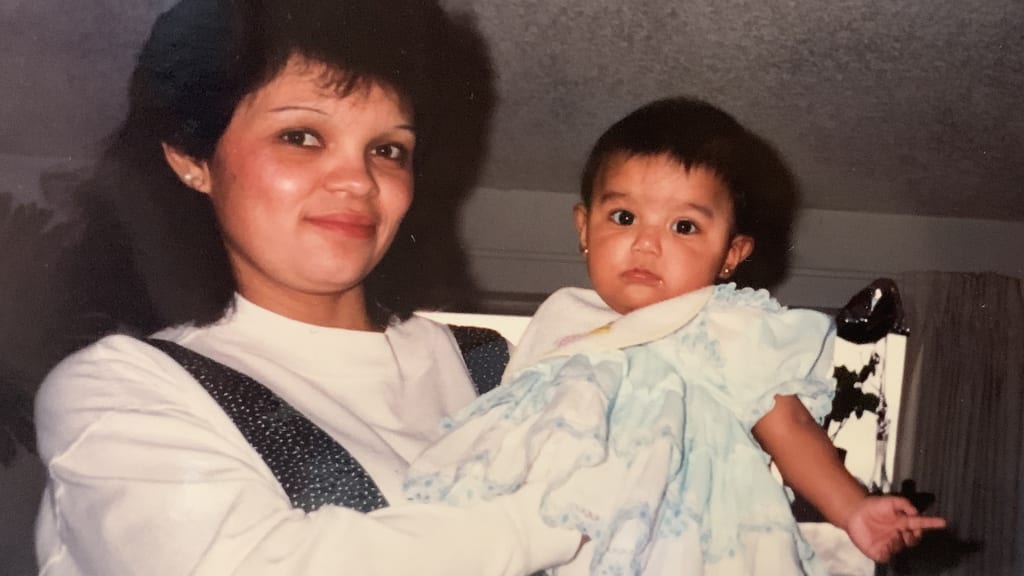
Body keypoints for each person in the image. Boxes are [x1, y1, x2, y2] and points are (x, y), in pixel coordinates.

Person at [33, 0, 587, 574]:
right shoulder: (123, 390)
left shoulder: (499, 368)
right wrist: (558, 519)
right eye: (301, 136)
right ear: (193, 158)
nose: (358, 180)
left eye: (387, 150)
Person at [405, 97, 946, 575]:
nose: (646, 244)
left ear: (731, 254)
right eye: (623, 216)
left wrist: (852, 508)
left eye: (684, 226)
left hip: (688, 537)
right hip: (569, 536)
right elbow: (512, 429)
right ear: (584, 228)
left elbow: (791, 426)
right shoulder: (562, 320)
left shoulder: (721, 322)